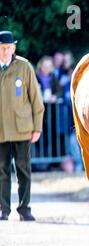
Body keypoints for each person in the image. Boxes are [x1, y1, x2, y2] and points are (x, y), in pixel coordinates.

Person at [0, 31, 45, 221]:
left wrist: (37, 128)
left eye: (8, 48)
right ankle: (4, 209)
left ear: (14, 48)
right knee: (1, 171)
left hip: (23, 128)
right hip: (1, 129)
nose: (4, 52)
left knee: (23, 169)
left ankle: (24, 208)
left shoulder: (24, 67)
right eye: (1, 48)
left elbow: (36, 100)